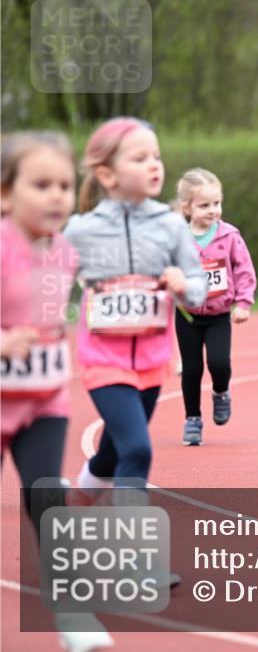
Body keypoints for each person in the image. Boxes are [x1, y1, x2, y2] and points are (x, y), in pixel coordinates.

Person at [1, 131, 116, 652]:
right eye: (41, 184)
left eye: (65, 185)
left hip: (43, 399)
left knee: (47, 495)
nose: (56, 196)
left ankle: (72, 612)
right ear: (6, 193)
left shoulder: (66, 253)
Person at [66, 118, 207, 494]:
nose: (154, 164)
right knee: (137, 449)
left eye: (157, 156)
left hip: (151, 362)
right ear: (107, 175)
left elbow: (199, 286)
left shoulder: (171, 226)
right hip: (101, 362)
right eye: (140, 157)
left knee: (113, 451)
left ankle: (81, 493)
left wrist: (183, 284)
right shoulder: (82, 230)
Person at [174, 168, 257, 446]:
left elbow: (244, 270)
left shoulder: (229, 235)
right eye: (204, 205)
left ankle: (221, 391)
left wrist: (243, 302)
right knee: (192, 368)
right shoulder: (177, 237)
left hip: (219, 314)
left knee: (219, 364)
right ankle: (192, 419)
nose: (213, 210)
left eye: (217, 203)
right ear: (186, 207)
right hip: (187, 314)